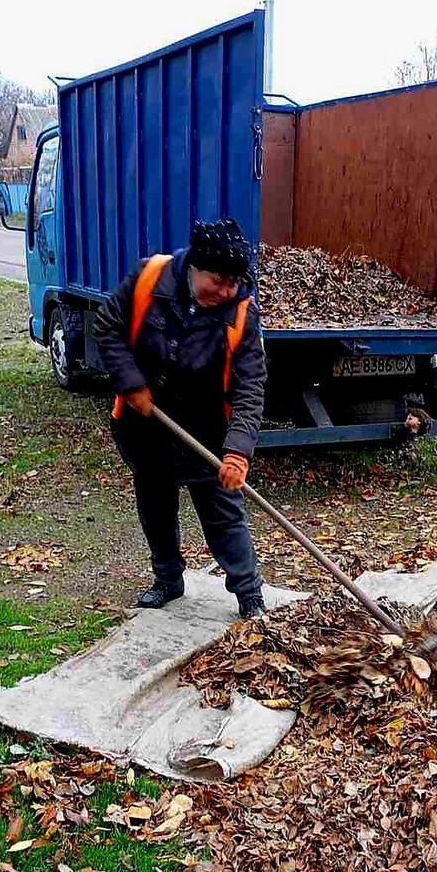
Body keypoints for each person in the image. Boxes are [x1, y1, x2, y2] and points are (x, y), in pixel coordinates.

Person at [92, 219, 267, 616]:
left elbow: (251, 386)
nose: (226, 290)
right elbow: (108, 326)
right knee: (155, 504)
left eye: (234, 282)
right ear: (195, 268)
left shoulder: (241, 314)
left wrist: (238, 451)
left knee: (224, 513)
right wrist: (130, 382)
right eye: (218, 280)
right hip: (147, 423)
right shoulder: (149, 278)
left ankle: (249, 594)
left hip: (206, 431)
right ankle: (168, 580)